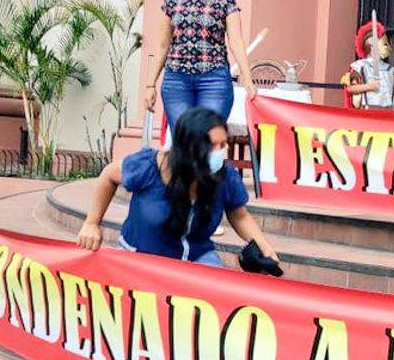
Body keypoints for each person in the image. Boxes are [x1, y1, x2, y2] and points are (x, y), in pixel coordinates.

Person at [77, 107, 280, 270]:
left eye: (224, 144)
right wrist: (92, 223)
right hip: (141, 258)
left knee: (216, 293)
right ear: (189, 147)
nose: (222, 152)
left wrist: (264, 247)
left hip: (196, 258)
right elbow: (108, 175)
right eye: (213, 145)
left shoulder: (224, 176)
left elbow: (239, 215)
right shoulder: (148, 167)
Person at [142, 0, 257, 127]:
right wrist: (150, 85)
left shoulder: (225, 3)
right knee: (183, 136)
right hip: (176, 80)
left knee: (208, 135)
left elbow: (236, 42)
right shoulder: (172, 2)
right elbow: (162, 46)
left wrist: (247, 78)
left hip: (214, 79)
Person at [342, 21, 394, 109]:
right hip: (367, 111)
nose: (386, 47)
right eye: (383, 44)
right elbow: (350, 88)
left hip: (387, 112)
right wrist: (369, 87)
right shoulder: (359, 67)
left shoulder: (392, 71)